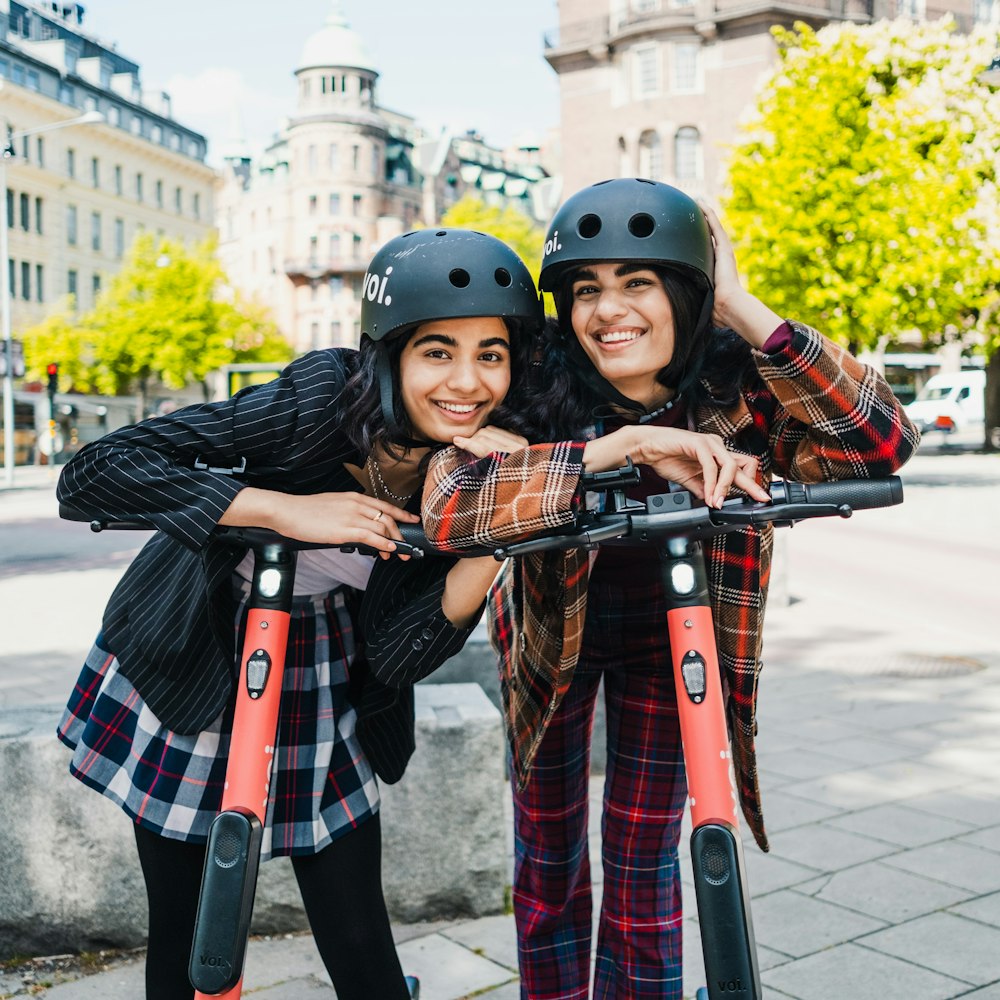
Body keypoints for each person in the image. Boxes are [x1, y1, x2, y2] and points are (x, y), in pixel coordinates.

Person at [419, 179, 920, 999]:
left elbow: (880, 441)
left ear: (684, 292)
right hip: (551, 637)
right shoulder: (541, 376)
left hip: (675, 640)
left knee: (644, 856)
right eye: (587, 289)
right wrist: (620, 448)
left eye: (638, 281)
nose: (607, 310)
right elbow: (452, 496)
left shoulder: (738, 382)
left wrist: (737, 300)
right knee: (546, 857)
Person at [55, 228, 540, 1000]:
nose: (467, 381)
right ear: (390, 355)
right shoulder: (322, 401)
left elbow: (401, 655)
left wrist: (497, 528)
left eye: (491, 353)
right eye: (437, 351)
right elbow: (94, 472)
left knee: (360, 940)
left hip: (329, 669)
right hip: (201, 653)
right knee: (189, 935)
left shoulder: (477, 465)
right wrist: (285, 509)